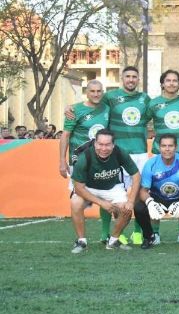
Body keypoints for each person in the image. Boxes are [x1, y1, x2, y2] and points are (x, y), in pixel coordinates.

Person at [66, 66, 152, 246]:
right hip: (117, 152)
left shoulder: (145, 98)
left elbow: (155, 114)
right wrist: (71, 107)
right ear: (122, 78)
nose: (131, 79)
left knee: (137, 195)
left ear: (138, 79)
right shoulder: (110, 97)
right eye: (127, 76)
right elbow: (92, 102)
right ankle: (106, 233)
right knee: (108, 191)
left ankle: (137, 232)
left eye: (134, 77)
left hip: (140, 151)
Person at [69, 129, 139, 253]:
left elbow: (136, 175)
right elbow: (79, 187)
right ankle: (81, 241)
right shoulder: (84, 157)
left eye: (107, 145)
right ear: (95, 143)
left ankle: (113, 241)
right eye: (100, 144)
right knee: (75, 203)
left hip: (112, 187)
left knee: (126, 209)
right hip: (88, 188)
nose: (103, 148)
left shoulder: (119, 152)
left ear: (113, 145)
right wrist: (102, 203)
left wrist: (131, 201)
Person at [59, 81, 110, 239]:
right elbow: (65, 135)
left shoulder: (106, 108)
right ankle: (81, 239)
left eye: (99, 91)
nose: (96, 94)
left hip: (101, 162)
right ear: (86, 92)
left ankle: (105, 235)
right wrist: (62, 161)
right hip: (79, 162)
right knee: (78, 200)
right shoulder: (75, 110)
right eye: (92, 91)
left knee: (105, 197)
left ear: (103, 92)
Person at [148, 69, 179, 244]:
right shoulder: (153, 103)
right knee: (155, 193)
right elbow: (142, 120)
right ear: (162, 83)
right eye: (168, 80)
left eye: (175, 80)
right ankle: (155, 234)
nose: (172, 83)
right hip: (159, 154)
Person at [135, 134, 179, 249]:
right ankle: (149, 237)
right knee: (139, 208)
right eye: (164, 146)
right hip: (157, 198)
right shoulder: (150, 164)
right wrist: (150, 203)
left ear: (176, 147)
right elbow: (143, 190)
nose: (167, 149)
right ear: (159, 147)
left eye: (170, 146)